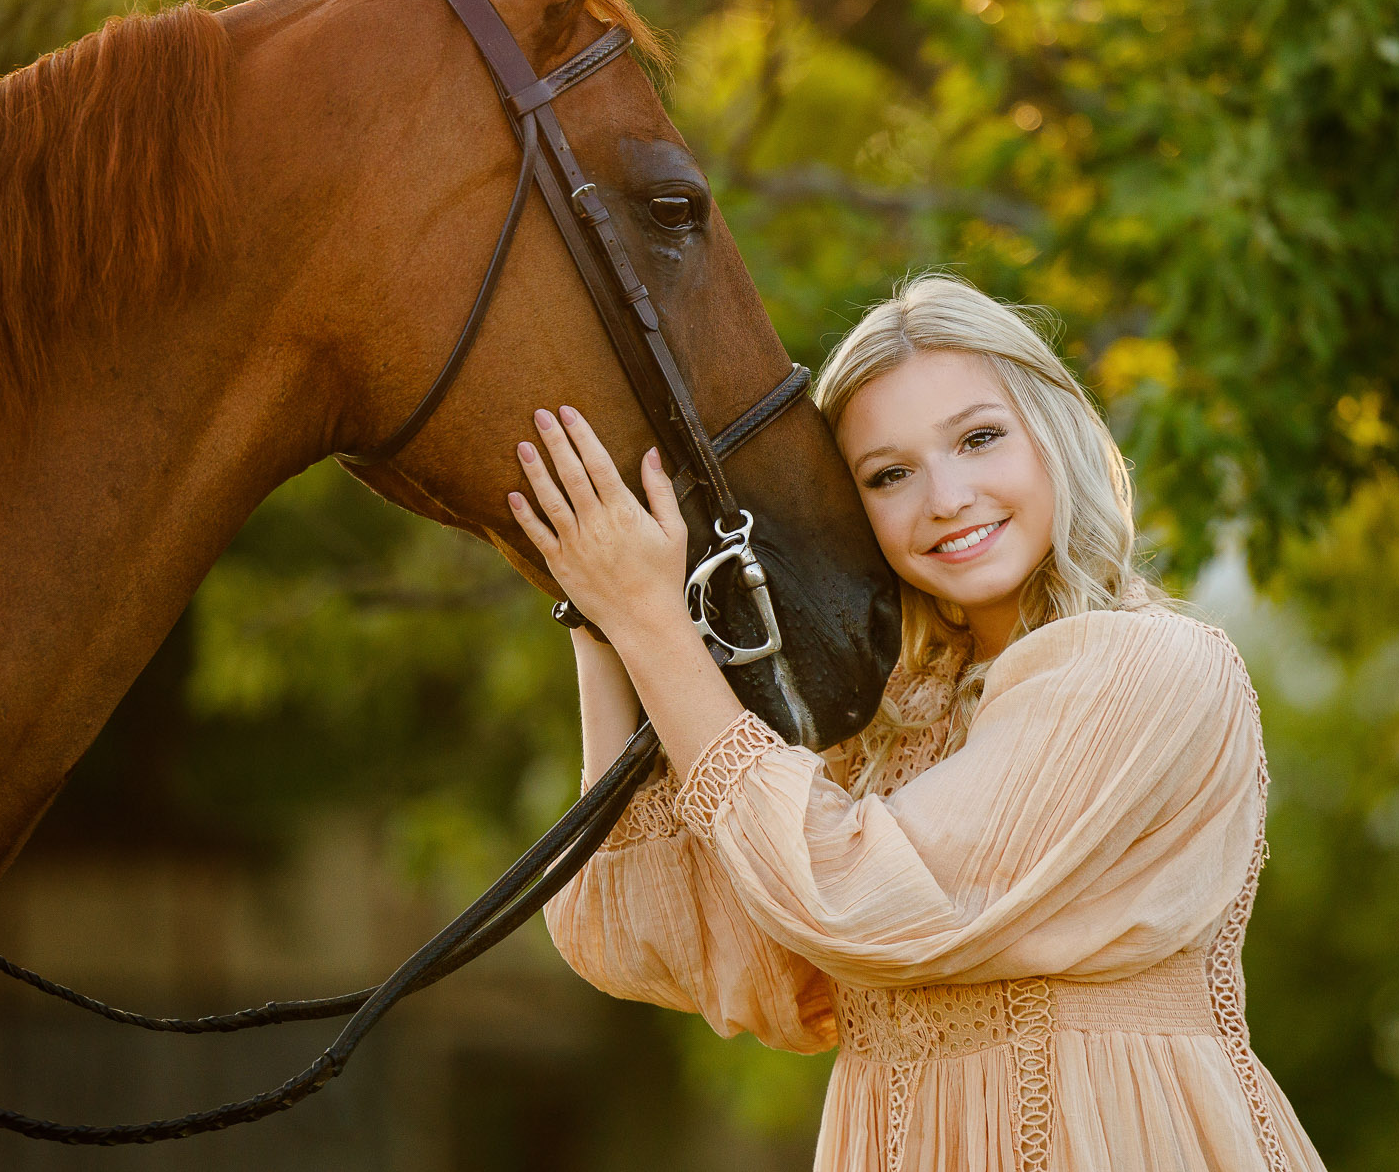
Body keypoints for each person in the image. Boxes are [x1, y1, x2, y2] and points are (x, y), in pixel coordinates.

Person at [507, 273, 1325, 1172]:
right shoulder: (886, 724)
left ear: (1053, 437)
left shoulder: (1149, 669)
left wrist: (651, 623)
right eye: (889, 474)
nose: (945, 497)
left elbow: (853, 898)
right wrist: (597, 617)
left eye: (979, 438)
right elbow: (657, 938)